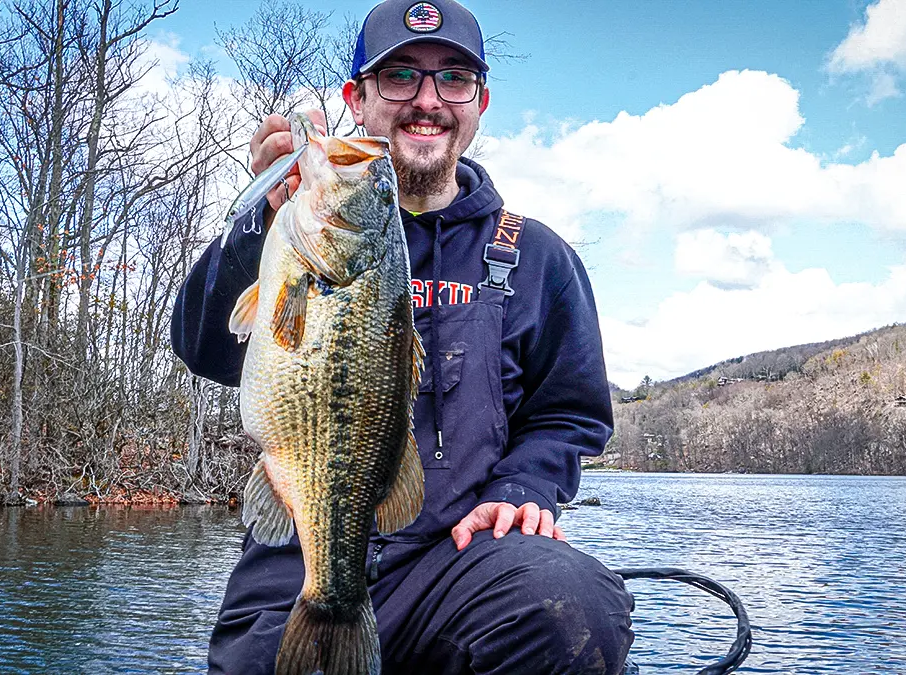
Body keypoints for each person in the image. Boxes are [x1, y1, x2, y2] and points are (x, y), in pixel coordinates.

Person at [171, 1, 635, 672]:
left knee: (573, 604)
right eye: (399, 77)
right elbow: (202, 346)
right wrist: (260, 214)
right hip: (300, 550)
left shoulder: (538, 257)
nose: (428, 100)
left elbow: (568, 413)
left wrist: (526, 487)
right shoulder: (287, 232)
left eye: (453, 78)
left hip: (466, 561)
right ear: (356, 99)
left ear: (480, 101)